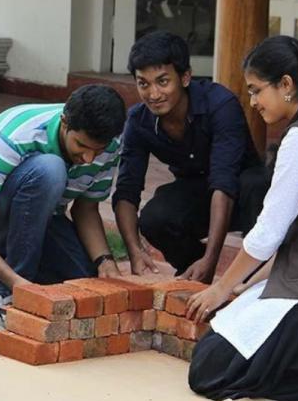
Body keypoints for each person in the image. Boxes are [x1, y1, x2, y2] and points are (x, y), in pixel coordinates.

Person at [186, 35, 298, 401]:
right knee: (218, 344)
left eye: (257, 90)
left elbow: (270, 232)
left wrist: (220, 288)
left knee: (208, 370)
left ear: (286, 84)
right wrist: (246, 284)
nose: (253, 102)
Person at [0, 85, 129, 323]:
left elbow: (85, 209)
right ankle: (8, 296)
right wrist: (18, 284)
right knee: (50, 170)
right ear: (64, 123)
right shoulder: (13, 137)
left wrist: (105, 261)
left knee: (83, 280)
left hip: (39, 218)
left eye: (98, 150)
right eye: (81, 146)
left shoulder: (110, 144)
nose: (89, 159)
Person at [113, 31, 267, 283]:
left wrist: (212, 259)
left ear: (185, 77)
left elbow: (224, 182)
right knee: (155, 218)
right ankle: (193, 272)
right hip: (198, 193)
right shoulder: (138, 121)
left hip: (244, 196)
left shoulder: (220, 104)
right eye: (143, 84)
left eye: (163, 81)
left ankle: (255, 283)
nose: (153, 94)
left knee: (257, 183)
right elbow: (126, 191)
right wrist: (134, 251)